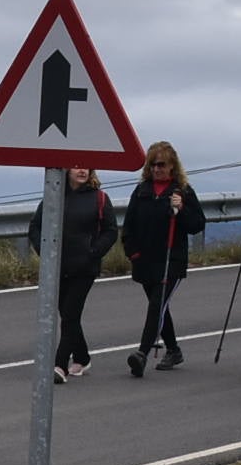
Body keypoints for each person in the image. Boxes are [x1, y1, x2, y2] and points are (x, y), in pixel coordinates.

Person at [118, 142, 205, 376]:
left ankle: (142, 353)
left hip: (171, 261)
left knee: (157, 306)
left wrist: (182, 209)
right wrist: (133, 253)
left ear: (172, 166)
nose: (157, 169)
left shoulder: (182, 191)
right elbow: (129, 227)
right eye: (153, 164)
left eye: (162, 164)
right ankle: (174, 350)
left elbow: (197, 224)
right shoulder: (142, 191)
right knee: (159, 308)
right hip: (144, 262)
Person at [28, 166, 116, 382]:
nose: (82, 170)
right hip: (58, 268)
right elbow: (35, 227)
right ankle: (82, 357)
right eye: (76, 166)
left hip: (84, 268)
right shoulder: (54, 196)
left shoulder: (100, 198)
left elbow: (110, 231)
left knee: (70, 315)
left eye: (86, 166)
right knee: (68, 316)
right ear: (67, 170)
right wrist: (46, 253)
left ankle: (59, 365)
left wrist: (93, 252)